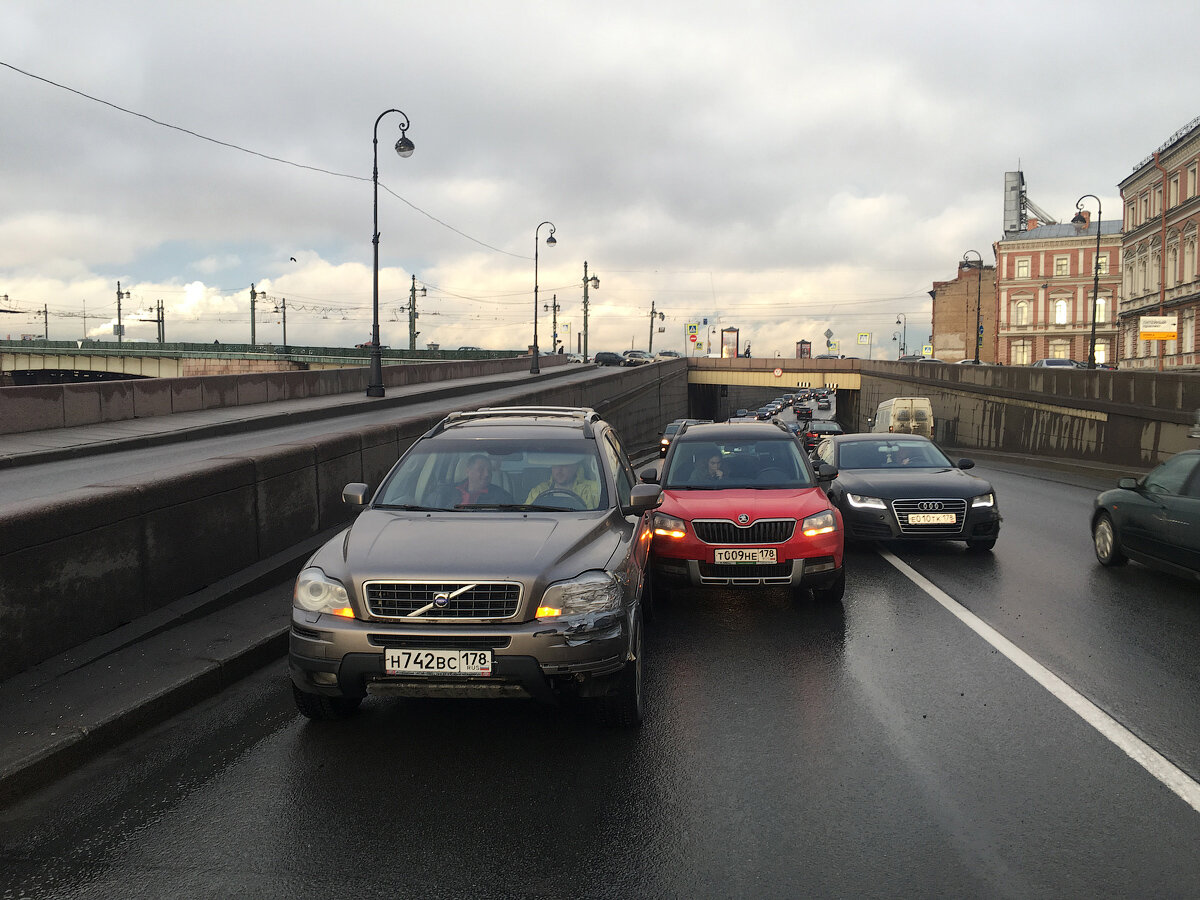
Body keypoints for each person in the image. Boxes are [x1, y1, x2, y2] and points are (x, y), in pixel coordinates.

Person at [525, 456, 600, 507]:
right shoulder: (539, 490)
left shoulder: (593, 490)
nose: (559, 470)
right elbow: (526, 514)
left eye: (564, 465)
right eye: (556, 466)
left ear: (575, 467)